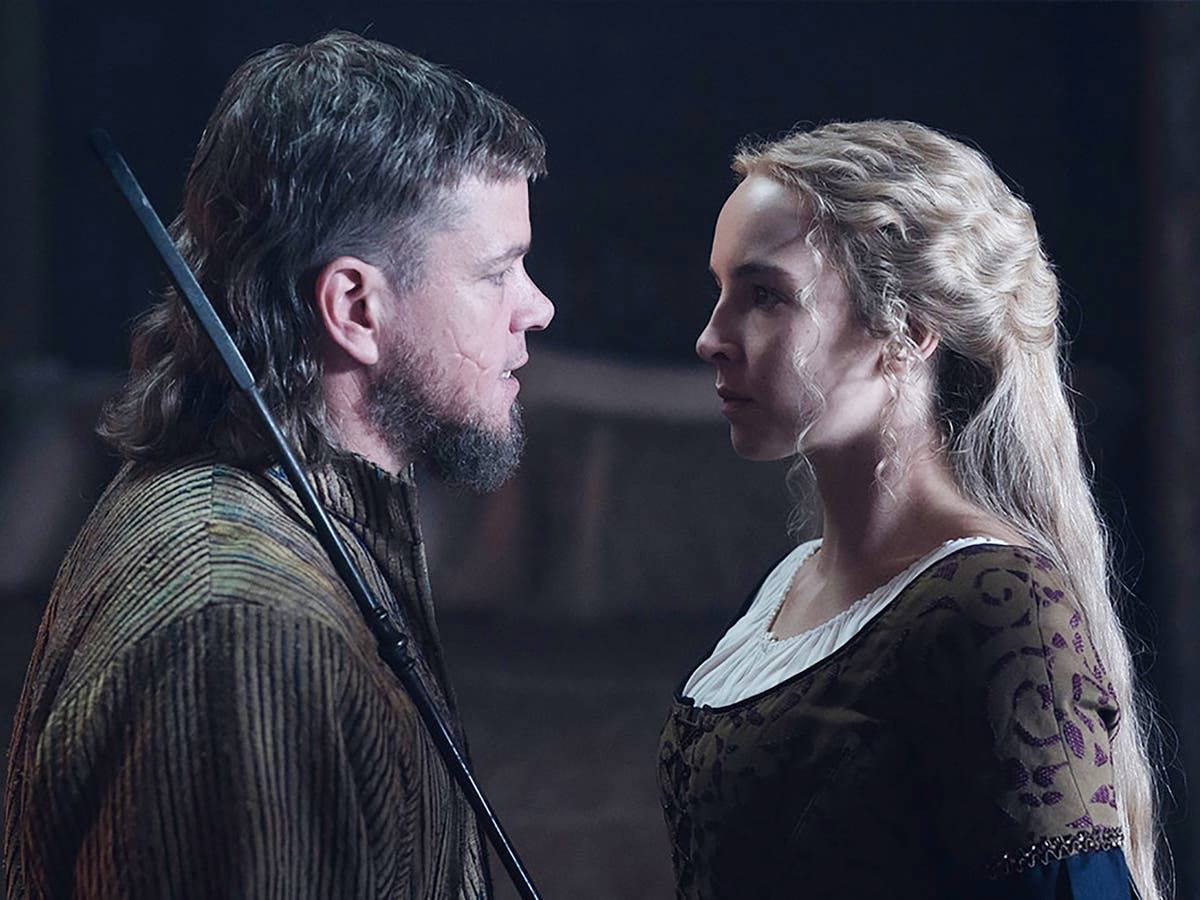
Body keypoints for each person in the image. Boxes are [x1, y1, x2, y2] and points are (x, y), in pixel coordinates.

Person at [4, 31, 553, 899]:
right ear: (354, 308)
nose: (539, 307)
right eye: (498, 272)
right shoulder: (243, 630)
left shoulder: (312, 520)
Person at [657, 121, 1165, 899]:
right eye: (720, 290)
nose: (711, 338)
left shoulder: (999, 606)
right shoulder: (789, 584)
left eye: (764, 296)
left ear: (912, 329)